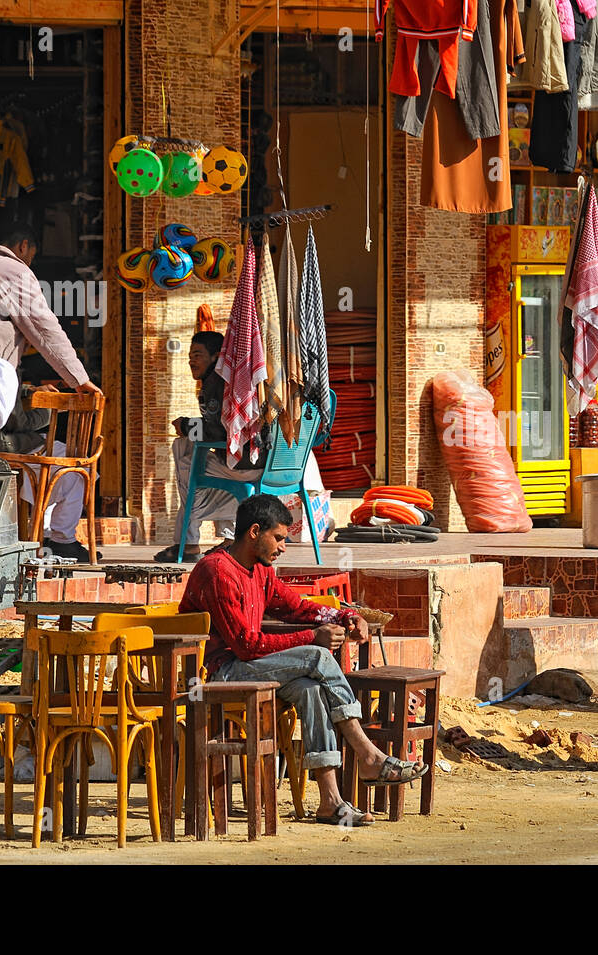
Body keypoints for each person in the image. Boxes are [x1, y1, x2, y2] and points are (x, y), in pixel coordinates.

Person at [179, 493, 428, 826]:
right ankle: (368, 754)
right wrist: (313, 636)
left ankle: (330, 802)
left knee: (310, 689)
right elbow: (246, 645)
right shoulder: (218, 572)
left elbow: (297, 606)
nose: (283, 547)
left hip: (248, 667)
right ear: (254, 532)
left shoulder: (261, 571)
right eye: (279, 538)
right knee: (318, 656)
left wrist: (344, 617)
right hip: (217, 674)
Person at [0, 224, 102, 562]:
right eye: (32, 256)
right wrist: (79, 379)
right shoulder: (16, 273)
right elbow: (45, 328)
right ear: (24, 246)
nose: (32, 263)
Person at [153, 331, 264, 563]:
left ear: (215, 357)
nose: (191, 360)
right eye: (190, 355)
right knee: (193, 460)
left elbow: (218, 431)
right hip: (264, 465)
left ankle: (189, 543)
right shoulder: (237, 380)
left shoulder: (216, 382)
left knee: (185, 458)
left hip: (242, 465)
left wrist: (185, 425)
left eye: (197, 354)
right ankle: (227, 538)